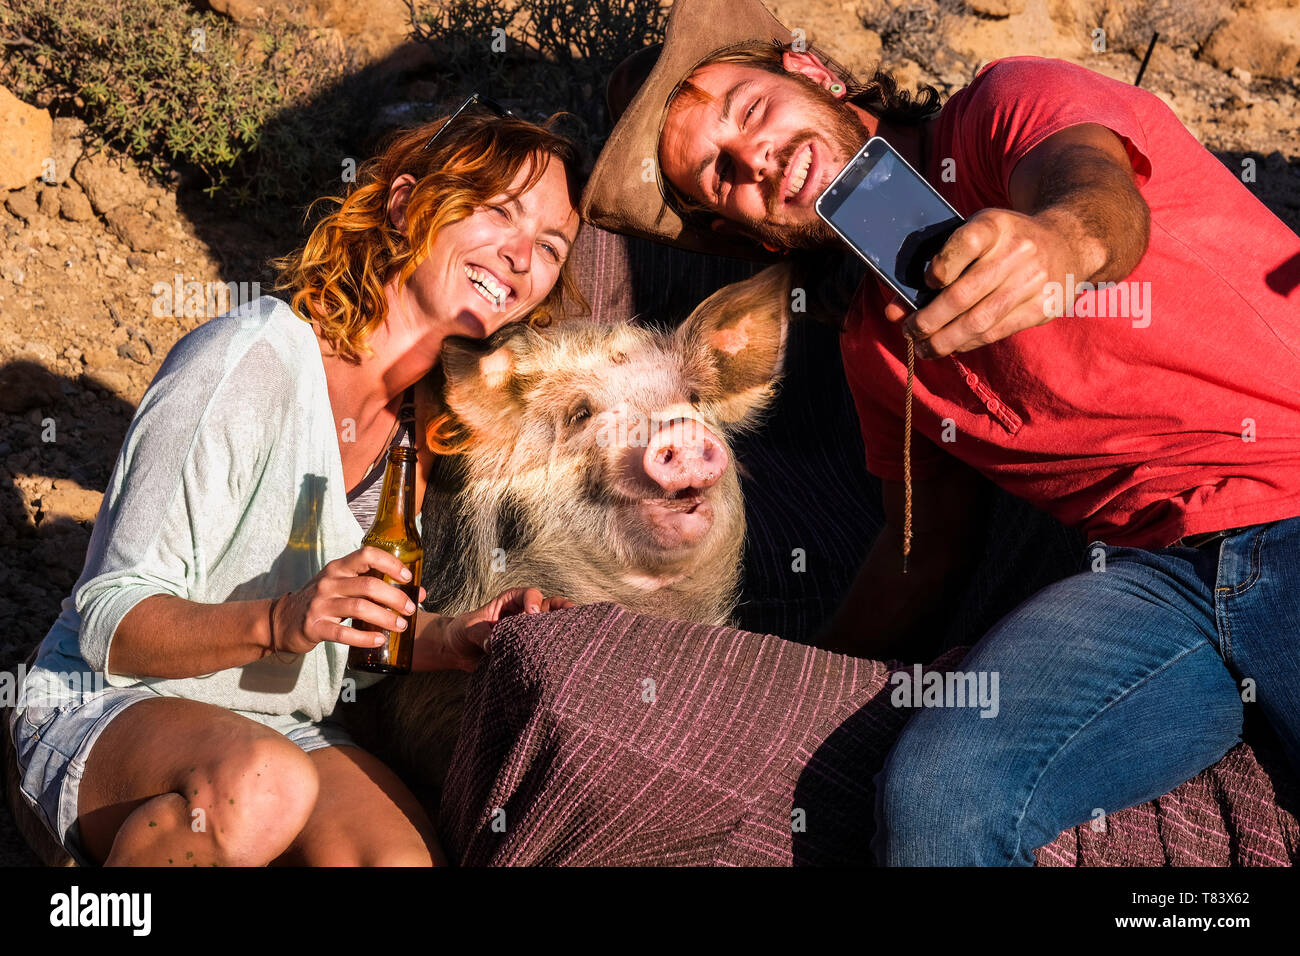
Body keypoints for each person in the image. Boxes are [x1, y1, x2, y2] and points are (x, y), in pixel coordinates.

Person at [581, 0, 1300, 864]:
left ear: (814, 74)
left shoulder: (1003, 109)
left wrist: (1061, 240)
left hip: (1291, 503)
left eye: (749, 110)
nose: (756, 159)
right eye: (722, 177)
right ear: (744, 228)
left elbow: (1092, 185)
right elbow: (922, 549)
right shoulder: (878, 351)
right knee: (941, 797)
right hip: (1154, 586)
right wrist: (783, 683)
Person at [7, 99, 583, 866]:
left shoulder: (436, 428)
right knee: (262, 785)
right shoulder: (248, 359)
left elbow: (354, 637)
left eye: (550, 246)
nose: (521, 256)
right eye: (500, 214)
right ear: (407, 203)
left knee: (399, 861)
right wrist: (280, 620)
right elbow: (111, 622)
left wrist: (454, 637)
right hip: (110, 705)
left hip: (283, 727)